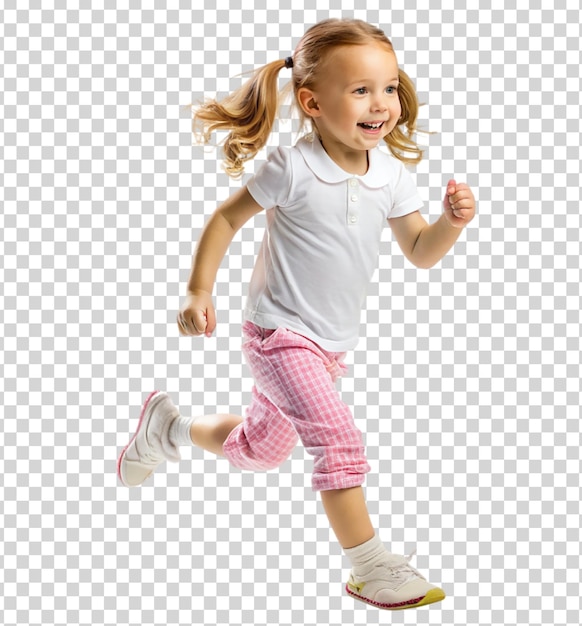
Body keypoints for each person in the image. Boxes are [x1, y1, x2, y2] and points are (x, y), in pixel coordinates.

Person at [117, 18, 475, 611]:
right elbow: (227, 218)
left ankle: (168, 428)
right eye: (360, 90)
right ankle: (369, 566)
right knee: (338, 442)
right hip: (277, 336)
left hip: (329, 347)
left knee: (260, 450)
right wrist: (197, 291)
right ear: (312, 101)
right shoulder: (294, 166)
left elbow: (420, 253)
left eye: (388, 87)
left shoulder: (390, 174)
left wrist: (451, 225)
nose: (380, 103)